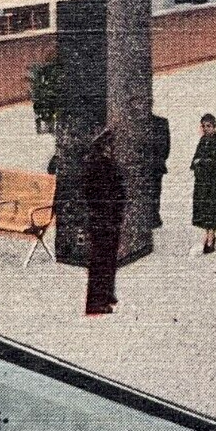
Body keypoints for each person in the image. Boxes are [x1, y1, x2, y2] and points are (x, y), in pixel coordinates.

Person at [83, 128, 125, 315]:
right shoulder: (100, 166)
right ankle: (96, 302)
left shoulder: (98, 165)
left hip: (107, 218)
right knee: (101, 260)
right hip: (104, 218)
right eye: (109, 145)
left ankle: (106, 293)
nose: (112, 148)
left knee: (107, 258)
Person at [190, 113, 216, 255]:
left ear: (214, 126)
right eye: (204, 126)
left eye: (208, 126)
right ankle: (208, 235)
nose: (206, 129)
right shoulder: (203, 140)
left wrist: (201, 162)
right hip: (203, 183)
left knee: (212, 211)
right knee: (205, 212)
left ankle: (210, 238)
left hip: (214, 185)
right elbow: (196, 157)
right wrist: (197, 162)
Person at [148, 114, 172, 229]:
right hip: (157, 165)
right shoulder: (162, 122)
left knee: (154, 191)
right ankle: (153, 216)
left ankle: (152, 216)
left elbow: (166, 147)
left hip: (154, 165)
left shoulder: (161, 122)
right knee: (155, 191)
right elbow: (167, 147)